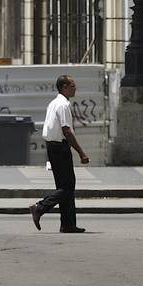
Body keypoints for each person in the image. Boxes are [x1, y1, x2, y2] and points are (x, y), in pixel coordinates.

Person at [30, 75, 89, 234]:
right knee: (67, 187)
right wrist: (81, 153)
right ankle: (40, 207)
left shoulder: (54, 103)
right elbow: (67, 131)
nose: (75, 88)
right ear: (64, 87)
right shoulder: (63, 105)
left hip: (53, 147)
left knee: (65, 186)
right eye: (72, 85)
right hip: (60, 148)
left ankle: (68, 224)